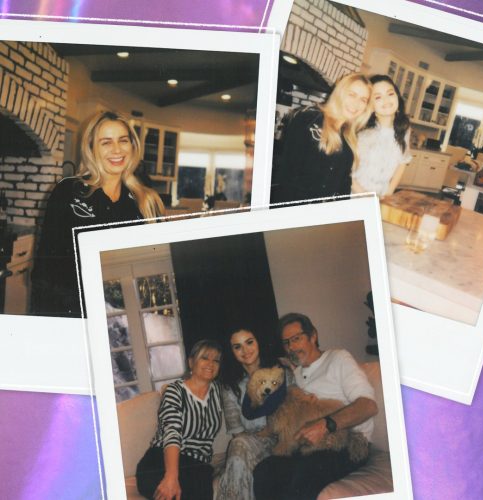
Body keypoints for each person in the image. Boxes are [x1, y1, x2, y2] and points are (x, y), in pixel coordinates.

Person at [30, 110, 165, 317]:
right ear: (91, 148)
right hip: (74, 313)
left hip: (125, 316)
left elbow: (156, 270)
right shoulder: (68, 191)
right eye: (106, 142)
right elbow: (45, 270)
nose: (117, 149)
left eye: (123, 140)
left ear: (133, 145)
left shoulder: (147, 201)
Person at [253, 313, 378, 500]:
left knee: (305, 473)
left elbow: (368, 406)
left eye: (296, 338)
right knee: (265, 469)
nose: (291, 347)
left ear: (313, 336)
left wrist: (325, 425)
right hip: (308, 446)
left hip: (347, 444)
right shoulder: (296, 373)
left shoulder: (338, 358)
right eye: (286, 342)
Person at [136, 339, 223, 500]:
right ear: (191, 362)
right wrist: (171, 476)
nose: (211, 363)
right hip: (160, 460)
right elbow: (172, 433)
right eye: (205, 358)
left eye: (216, 360)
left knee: (199, 484)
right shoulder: (174, 391)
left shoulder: (219, 392)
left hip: (197, 464)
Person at [270, 73, 372, 204]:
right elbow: (287, 175)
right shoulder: (308, 118)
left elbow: (344, 184)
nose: (356, 104)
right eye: (352, 95)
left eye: (363, 100)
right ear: (340, 93)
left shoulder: (349, 137)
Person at [217, 327, 291, 500]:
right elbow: (237, 431)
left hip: (286, 437)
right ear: (232, 352)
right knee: (239, 445)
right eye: (237, 347)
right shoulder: (230, 386)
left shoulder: (281, 371)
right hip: (253, 442)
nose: (245, 350)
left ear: (258, 342)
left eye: (249, 342)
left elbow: (295, 406)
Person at [352, 74, 412, 197]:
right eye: (378, 97)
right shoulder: (362, 131)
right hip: (355, 195)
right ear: (371, 105)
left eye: (390, 94)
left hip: (382, 196)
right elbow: (346, 170)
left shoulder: (404, 129)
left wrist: (389, 193)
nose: (386, 100)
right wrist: (365, 197)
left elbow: (402, 162)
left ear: (397, 96)